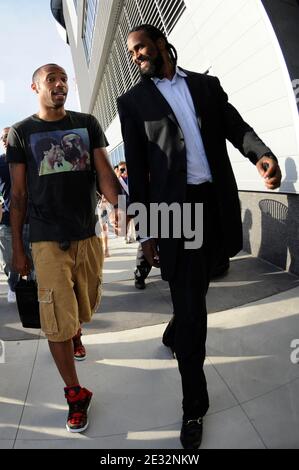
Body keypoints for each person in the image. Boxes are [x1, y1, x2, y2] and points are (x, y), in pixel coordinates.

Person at [117, 24, 282, 449]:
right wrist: (146, 231)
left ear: (159, 43)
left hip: (216, 206)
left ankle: (177, 328)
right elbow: (136, 169)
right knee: (192, 310)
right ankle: (194, 405)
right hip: (175, 214)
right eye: (131, 54)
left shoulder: (207, 86)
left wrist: (261, 154)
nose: (137, 56)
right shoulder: (133, 102)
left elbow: (235, 125)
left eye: (140, 48)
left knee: (198, 289)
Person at [7, 63, 121, 433]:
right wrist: (18, 251)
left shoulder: (87, 123)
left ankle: (75, 331)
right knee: (55, 322)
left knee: (84, 304)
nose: (59, 85)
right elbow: (19, 194)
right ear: (35, 86)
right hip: (45, 238)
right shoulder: (22, 133)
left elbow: (104, 171)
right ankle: (75, 393)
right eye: (51, 80)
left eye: (63, 80)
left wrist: (118, 205)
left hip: (87, 233)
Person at [0, 127, 33, 302]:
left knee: (35, 261)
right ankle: (13, 285)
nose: (7, 139)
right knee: (10, 261)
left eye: (11, 136)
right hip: (7, 221)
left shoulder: (30, 159)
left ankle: (35, 289)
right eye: (5, 137)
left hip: (32, 219)